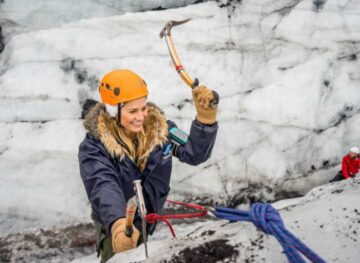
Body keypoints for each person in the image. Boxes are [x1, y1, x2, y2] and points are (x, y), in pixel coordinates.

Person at [78, 69, 219, 262]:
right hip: (116, 224)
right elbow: (103, 186)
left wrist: (206, 121)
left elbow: (194, 153)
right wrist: (119, 224)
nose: (141, 116)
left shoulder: (161, 129)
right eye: (132, 111)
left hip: (148, 216)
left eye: (143, 108)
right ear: (113, 111)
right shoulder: (93, 148)